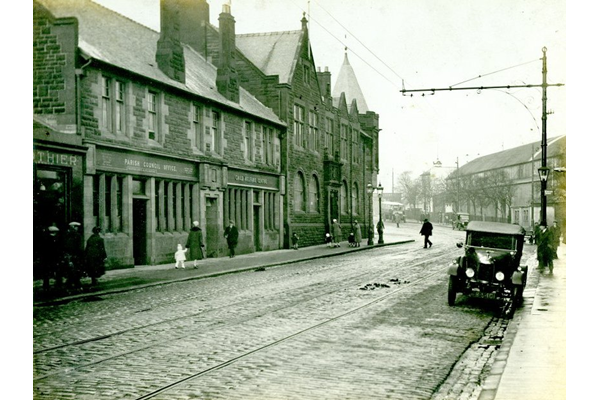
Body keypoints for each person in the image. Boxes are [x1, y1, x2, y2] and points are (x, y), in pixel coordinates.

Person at [41, 225, 64, 292]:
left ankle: (46, 286)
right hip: (53, 259)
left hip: (47, 259)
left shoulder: (45, 239)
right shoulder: (54, 240)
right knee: (57, 272)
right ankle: (58, 285)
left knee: (47, 274)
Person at [64, 222, 84, 291]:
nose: (77, 228)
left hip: (69, 256)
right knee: (75, 271)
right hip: (76, 256)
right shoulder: (77, 235)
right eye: (76, 227)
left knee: (72, 271)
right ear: (73, 227)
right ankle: (76, 285)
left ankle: (71, 285)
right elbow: (80, 248)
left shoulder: (66, 235)